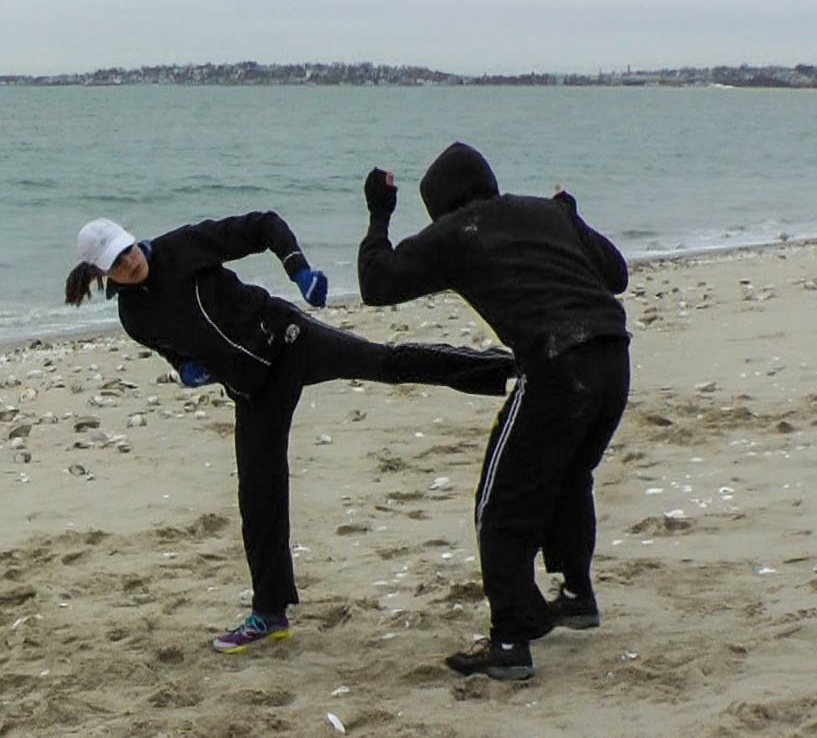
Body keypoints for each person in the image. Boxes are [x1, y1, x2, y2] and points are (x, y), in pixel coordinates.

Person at [64, 212, 515, 654]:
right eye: (117, 262)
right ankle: (270, 614)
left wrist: (299, 270)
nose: (130, 262)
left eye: (128, 250)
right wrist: (188, 371)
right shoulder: (133, 317)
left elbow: (264, 226)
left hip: (290, 341)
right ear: (102, 274)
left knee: (384, 363)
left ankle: (505, 371)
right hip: (254, 390)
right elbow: (172, 354)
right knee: (258, 497)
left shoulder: (182, 246)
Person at [357, 143, 630, 680]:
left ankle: (510, 641)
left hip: (556, 366)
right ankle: (576, 594)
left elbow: (376, 283)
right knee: (570, 476)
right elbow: (615, 274)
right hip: (613, 356)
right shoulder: (548, 213)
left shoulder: (459, 231)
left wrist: (378, 213)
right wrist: (575, 218)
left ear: (441, 205)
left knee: (498, 504)